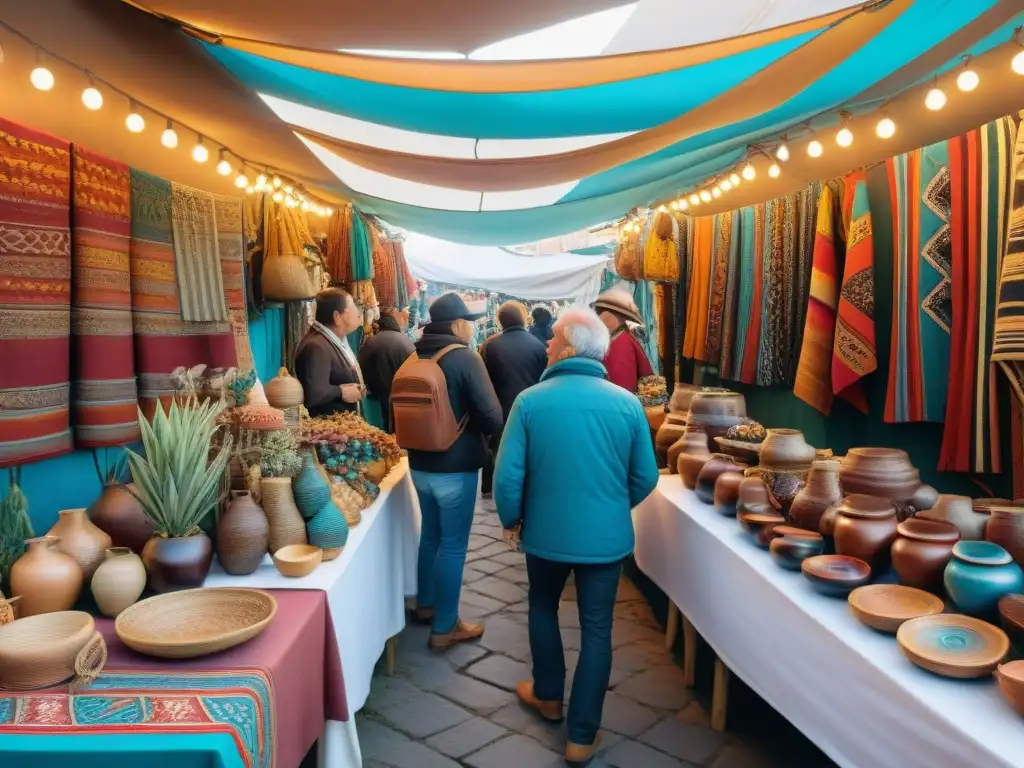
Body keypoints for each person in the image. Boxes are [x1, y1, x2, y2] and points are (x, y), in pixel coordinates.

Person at [493, 306, 659, 765]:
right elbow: (645, 476)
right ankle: (581, 735)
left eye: (552, 339)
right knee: (598, 630)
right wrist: (609, 506)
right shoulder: (626, 403)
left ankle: (548, 696)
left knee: (543, 606)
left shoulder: (531, 401)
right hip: (606, 538)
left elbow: (508, 479)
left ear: (568, 347)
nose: (545, 344)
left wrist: (512, 519)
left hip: (545, 533)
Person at [408, 293, 503, 651]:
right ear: (457, 325)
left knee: (430, 537)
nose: (473, 326)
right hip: (456, 468)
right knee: (453, 546)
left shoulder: (414, 355)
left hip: (419, 465)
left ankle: (426, 606)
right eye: (470, 321)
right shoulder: (464, 358)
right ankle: (446, 627)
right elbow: (492, 416)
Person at [478, 301, 547, 497]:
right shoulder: (538, 345)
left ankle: (489, 487)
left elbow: (484, 379)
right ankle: (524, 485)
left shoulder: (489, 345)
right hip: (530, 407)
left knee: (495, 448)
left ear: (501, 322)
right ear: (523, 319)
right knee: (526, 448)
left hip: (499, 406)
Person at [294, 287, 365, 417]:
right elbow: (314, 393)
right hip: (329, 431)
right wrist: (341, 392)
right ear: (337, 317)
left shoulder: (330, 341)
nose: (358, 313)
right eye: (353, 307)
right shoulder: (316, 347)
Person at [357, 309, 415, 432]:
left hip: (373, 398)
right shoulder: (406, 341)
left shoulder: (371, 341)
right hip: (399, 398)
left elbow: (360, 367)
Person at [593, 288, 653, 393]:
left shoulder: (621, 344)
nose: (599, 317)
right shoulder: (618, 340)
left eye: (602, 312)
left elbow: (621, 388)